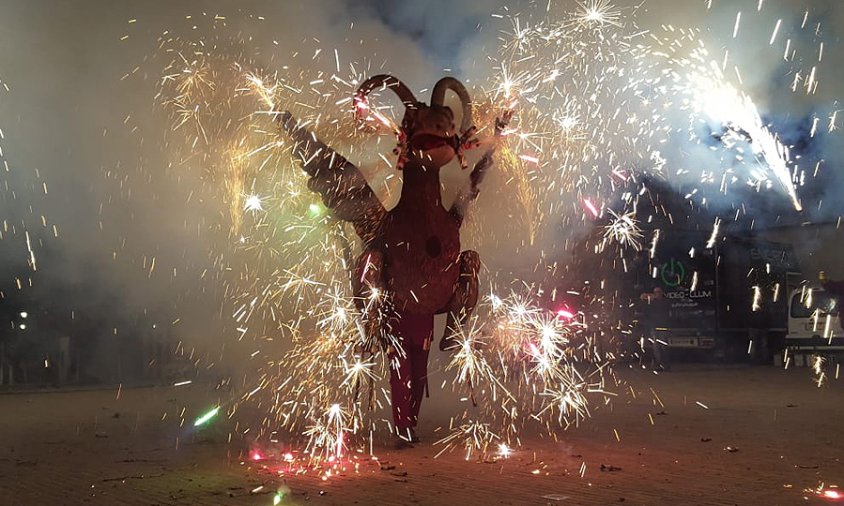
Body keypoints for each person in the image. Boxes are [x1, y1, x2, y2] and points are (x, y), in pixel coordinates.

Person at [640, 286, 671, 371]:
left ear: (661, 293)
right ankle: (659, 364)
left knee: (664, 347)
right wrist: (644, 300)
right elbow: (645, 311)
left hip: (663, 328)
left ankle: (666, 365)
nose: (657, 294)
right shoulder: (652, 303)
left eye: (658, 292)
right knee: (656, 347)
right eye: (656, 292)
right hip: (655, 328)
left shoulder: (665, 302)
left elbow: (666, 312)